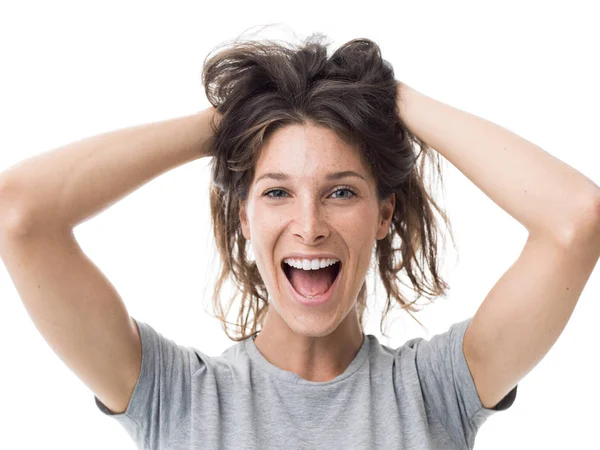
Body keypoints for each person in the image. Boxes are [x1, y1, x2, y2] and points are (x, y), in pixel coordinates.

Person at [0, 31, 598, 450]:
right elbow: (19, 212)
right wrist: (234, 119)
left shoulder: (435, 391)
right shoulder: (175, 397)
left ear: (384, 213)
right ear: (243, 216)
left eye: (341, 192)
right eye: (277, 192)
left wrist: (391, 102)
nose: (309, 225)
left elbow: (576, 219)